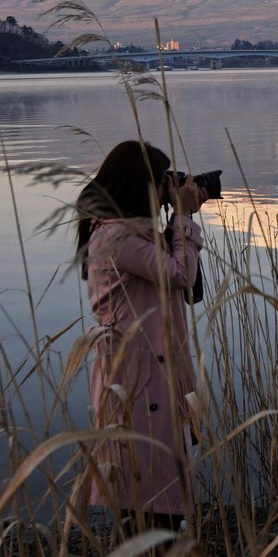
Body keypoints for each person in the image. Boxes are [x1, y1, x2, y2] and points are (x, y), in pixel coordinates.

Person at [76, 140, 206, 528]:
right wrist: (182, 218)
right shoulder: (117, 238)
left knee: (154, 512)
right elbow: (180, 276)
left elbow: (181, 280)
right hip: (137, 387)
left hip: (150, 380)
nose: (169, 187)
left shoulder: (133, 234)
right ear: (141, 186)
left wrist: (175, 222)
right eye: (163, 180)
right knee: (148, 510)